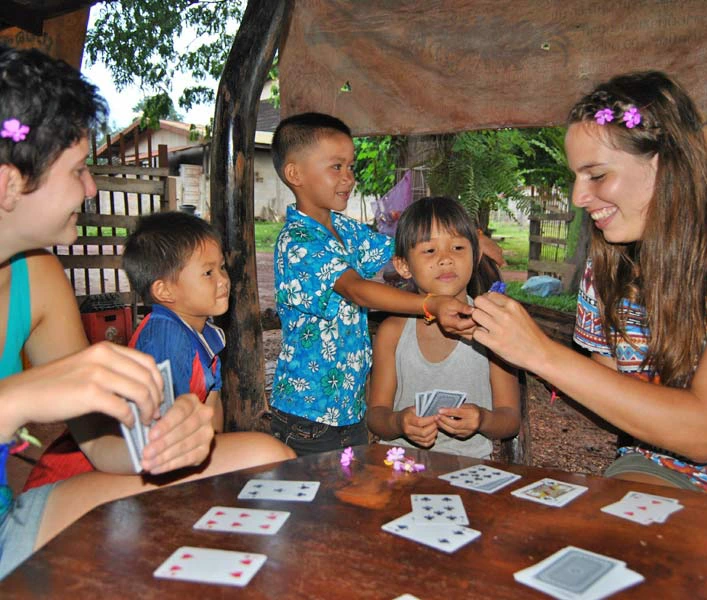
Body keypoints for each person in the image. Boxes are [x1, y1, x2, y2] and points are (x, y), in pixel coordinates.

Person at [0, 46, 287, 579]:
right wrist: (18, 397)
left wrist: (171, 441)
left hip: (9, 522)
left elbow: (106, 447)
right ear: (9, 183)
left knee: (262, 455)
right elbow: (30, 402)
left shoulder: (38, 279)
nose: (90, 188)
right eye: (80, 170)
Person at [470, 71, 707, 503]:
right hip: (657, 467)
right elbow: (610, 386)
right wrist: (516, 348)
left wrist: (541, 353)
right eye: (576, 176)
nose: (577, 197)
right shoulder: (608, 260)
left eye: (597, 175)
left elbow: (705, 432)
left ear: (664, 161)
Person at [23, 211, 295, 489]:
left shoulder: (210, 336)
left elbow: (210, 415)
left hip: (159, 456)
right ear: (165, 291)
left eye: (222, 268)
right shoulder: (165, 338)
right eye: (208, 272)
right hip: (86, 474)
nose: (223, 280)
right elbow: (165, 430)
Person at [269, 112, 475, 456]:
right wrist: (429, 305)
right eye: (336, 167)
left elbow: (402, 249)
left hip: (349, 410)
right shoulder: (298, 242)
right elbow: (357, 290)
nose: (348, 178)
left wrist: (457, 237)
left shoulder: (343, 228)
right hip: (308, 414)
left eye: (350, 167)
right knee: (316, 506)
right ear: (295, 174)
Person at [367, 197, 520, 458]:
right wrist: (400, 423)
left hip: (470, 469)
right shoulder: (392, 332)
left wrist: (482, 420)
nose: (446, 259)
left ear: (477, 255)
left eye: (458, 247)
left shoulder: (493, 327)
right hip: (400, 465)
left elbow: (510, 419)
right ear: (403, 266)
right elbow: (376, 415)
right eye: (430, 251)